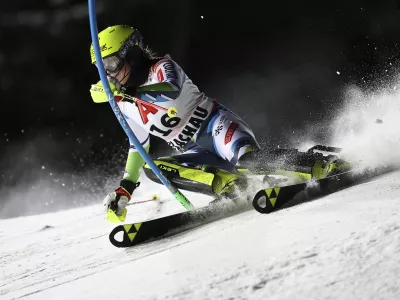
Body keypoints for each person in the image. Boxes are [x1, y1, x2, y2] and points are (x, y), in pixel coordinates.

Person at [90, 25, 342, 218]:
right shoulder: (125, 103)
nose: (109, 73)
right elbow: (138, 146)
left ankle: (323, 165)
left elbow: (170, 90)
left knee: (248, 161)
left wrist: (126, 93)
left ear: (131, 54)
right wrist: (125, 190)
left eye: (111, 63)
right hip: (197, 152)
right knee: (153, 168)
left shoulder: (163, 67)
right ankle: (232, 188)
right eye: (102, 67)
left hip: (218, 127)